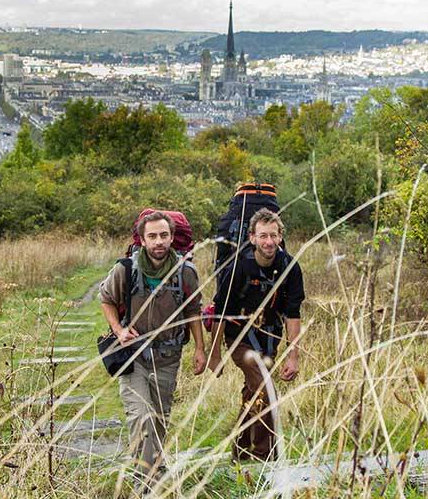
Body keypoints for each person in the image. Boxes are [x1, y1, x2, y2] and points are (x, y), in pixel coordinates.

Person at [99, 211, 207, 487]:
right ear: (143, 240)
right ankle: (144, 482)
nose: (158, 241)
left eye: (163, 235)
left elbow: (194, 310)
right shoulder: (125, 269)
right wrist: (119, 330)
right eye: (152, 236)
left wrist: (199, 349)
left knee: (159, 419)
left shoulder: (186, 272)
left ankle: (154, 468)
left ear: (171, 237)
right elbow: (106, 299)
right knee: (141, 417)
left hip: (168, 358)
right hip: (133, 357)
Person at [208, 208, 305, 462]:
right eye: (263, 236)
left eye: (273, 236)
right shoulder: (239, 266)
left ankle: (240, 451)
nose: (269, 242)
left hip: (269, 338)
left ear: (280, 236)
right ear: (252, 237)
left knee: (255, 393)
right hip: (238, 338)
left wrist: (293, 356)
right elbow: (219, 312)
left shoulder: (290, 267)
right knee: (266, 389)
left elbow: (293, 313)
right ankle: (265, 459)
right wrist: (214, 354)